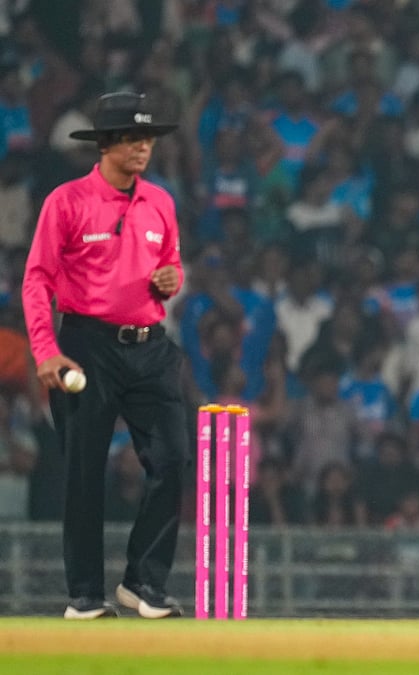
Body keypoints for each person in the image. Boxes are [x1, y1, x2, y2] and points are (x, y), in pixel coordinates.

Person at [22, 92, 187, 619]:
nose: (144, 148)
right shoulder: (66, 201)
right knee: (84, 472)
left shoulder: (161, 201)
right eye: (133, 138)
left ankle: (142, 584)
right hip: (86, 347)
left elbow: (171, 266)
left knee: (173, 460)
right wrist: (46, 351)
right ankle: (84, 595)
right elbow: (36, 280)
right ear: (107, 145)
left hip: (150, 345)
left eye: (148, 139)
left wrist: (172, 280)